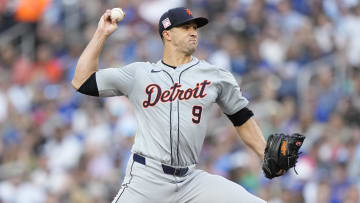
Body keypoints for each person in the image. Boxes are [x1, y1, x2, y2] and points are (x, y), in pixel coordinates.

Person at [72, 7, 267, 203]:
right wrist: (102, 33)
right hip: (147, 179)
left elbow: (242, 118)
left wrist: (265, 154)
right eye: (185, 27)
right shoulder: (140, 74)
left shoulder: (215, 76)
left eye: (194, 28)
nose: (193, 32)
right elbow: (82, 81)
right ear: (167, 34)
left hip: (190, 181)